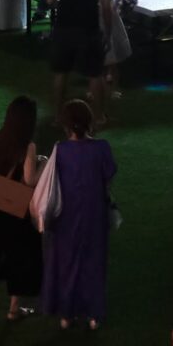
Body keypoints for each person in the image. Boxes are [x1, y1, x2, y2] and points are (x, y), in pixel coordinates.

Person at [39, 97, 116, 329]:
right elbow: (109, 177)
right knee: (94, 262)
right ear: (89, 122)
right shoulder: (102, 148)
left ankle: (66, 313)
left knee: (66, 263)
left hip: (66, 215)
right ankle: (93, 314)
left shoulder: (60, 150)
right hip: (95, 213)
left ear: (65, 125)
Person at [0, 95, 43, 319]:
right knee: (20, 255)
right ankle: (13, 309)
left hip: (0, 201)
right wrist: (43, 165)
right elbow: (29, 180)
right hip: (19, 206)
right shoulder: (28, 146)